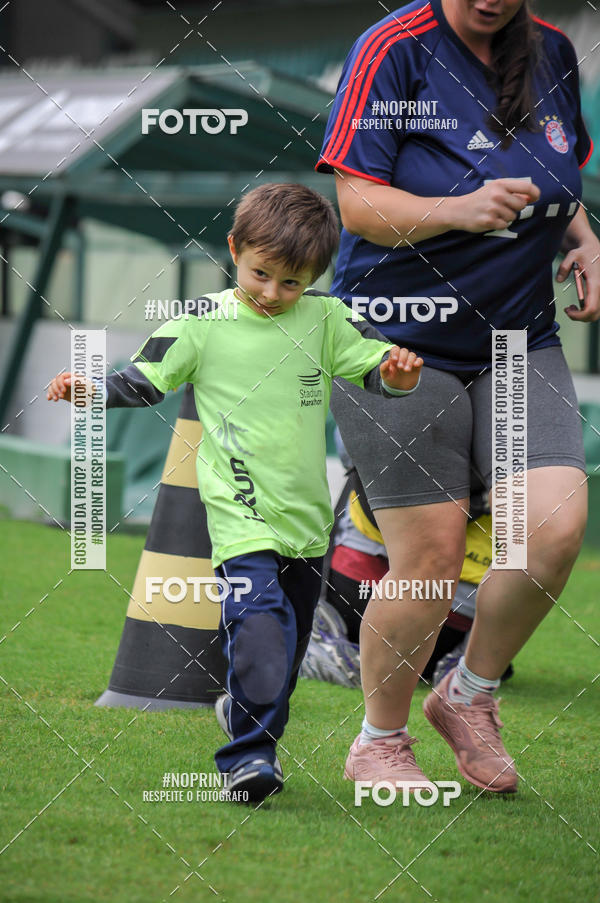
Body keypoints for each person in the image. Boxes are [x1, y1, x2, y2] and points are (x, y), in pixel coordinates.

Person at [47, 183, 424, 803]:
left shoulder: (327, 318)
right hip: (240, 518)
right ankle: (248, 760)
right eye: (261, 275)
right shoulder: (203, 322)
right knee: (259, 633)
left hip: (307, 527)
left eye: (292, 283)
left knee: (285, 654)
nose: (274, 294)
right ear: (235, 250)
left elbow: (374, 367)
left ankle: (244, 717)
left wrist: (398, 376)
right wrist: (89, 389)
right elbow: (145, 378)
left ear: (315, 278)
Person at [316, 0, 598, 793]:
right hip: (399, 341)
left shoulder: (551, 54)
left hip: (515, 341)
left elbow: (558, 180)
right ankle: (379, 740)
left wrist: (585, 240)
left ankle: (468, 694)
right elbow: (357, 205)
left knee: (550, 529)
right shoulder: (392, 49)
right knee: (431, 556)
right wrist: (456, 212)